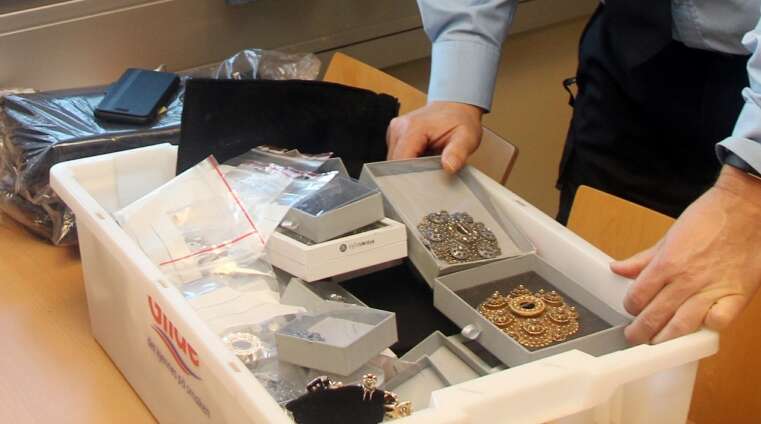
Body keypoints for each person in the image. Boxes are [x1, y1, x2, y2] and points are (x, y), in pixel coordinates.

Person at [387, 1, 761, 345]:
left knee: (727, 334)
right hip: (629, 59)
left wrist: (746, 194)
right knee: (592, 305)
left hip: (745, 85)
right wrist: (457, 86)